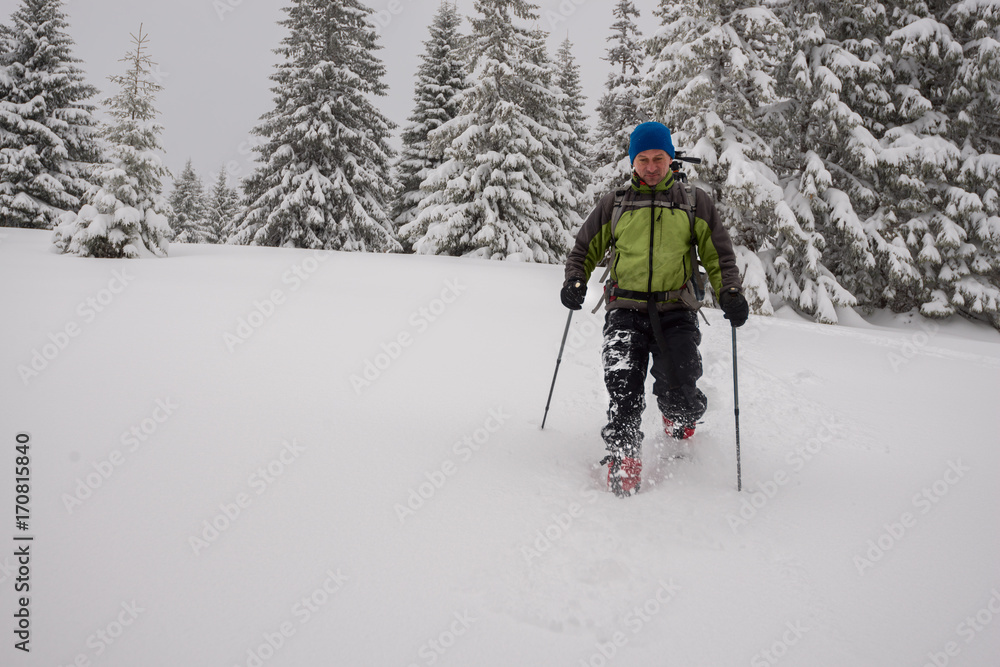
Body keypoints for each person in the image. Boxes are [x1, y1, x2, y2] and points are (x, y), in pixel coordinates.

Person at [560, 121, 749, 498]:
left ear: (670, 158)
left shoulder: (693, 202)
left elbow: (719, 254)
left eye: (658, 158)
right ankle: (624, 456)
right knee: (623, 386)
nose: (650, 166)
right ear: (632, 162)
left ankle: (677, 416)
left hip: (675, 308)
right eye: (642, 159)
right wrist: (575, 280)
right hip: (625, 307)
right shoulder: (614, 203)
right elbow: (583, 249)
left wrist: (729, 291)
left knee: (682, 390)